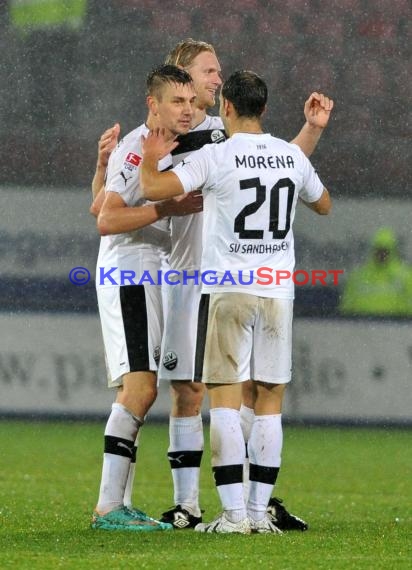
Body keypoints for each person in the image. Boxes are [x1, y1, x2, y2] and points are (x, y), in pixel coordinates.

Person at [91, 38, 334, 532]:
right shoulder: (143, 143)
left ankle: (237, 503)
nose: (215, 79)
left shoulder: (218, 135)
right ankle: (119, 506)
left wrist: (309, 130)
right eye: (205, 72)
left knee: (198, 389)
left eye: (217, 74)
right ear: (175, 80)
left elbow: (281, 162)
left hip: (195, 277)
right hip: (141, 271)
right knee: (152, 387)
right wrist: (140, 191)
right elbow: (104, 214)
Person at [90, 64, 202, 532]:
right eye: (177, 101)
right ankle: (109, 508)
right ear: (152, 104)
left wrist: (100, 167)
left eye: (192, 101)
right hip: (130, 274)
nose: (188, 109)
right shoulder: (140, 148)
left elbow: (99, 203)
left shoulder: (156, 147)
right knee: (142, 388)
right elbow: (107, 221)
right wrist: (165, 207)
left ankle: (118, 503)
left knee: (136, 389)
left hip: (147, 275)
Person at [340, 227, 412, 317]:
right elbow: (347, 307)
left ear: (392, 251)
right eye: (378, 250)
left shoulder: (406, 277)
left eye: (385, 250)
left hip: (396, 327)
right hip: (361, 327)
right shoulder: (358, 277)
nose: (381, 254)